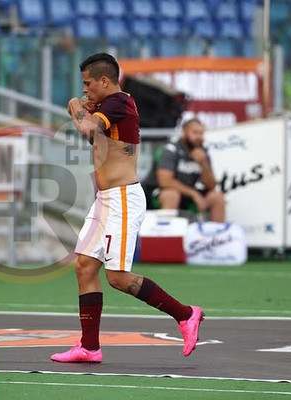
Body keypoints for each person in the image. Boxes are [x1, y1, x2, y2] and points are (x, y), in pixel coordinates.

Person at [50, 53, 204, 364]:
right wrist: (84, 107)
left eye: (88, 84)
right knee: (84, 267)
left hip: (122, 198)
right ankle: (89, 347)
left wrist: (76, 105)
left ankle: (186, 314)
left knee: (118, 277)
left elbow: (87, 128)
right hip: (105, 199)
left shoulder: (119, 102)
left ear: (104, 81)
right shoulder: (109, 106)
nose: (85, 90)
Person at [142, 118, 226, 222]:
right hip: (161, 193)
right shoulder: (171, 149)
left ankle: (218, 232)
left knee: (217, 197)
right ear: (185, 132)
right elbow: (165, 181)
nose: (198, 137)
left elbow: (212, 185)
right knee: (171, 195)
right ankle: (167, 231)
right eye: (195, 133)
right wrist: (193, 194)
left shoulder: (203, 152)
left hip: (190, 194)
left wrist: (203, 164)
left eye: (201, 133)